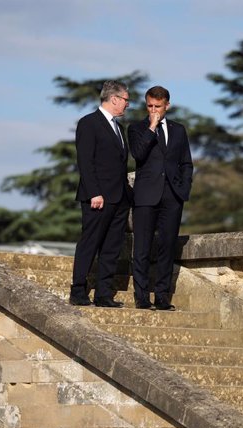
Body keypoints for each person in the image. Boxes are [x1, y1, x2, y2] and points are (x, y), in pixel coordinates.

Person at [127, 86, 193, 310]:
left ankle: (163, 296)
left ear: (167, 106)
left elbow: (186, 162)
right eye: (149, 106)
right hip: (146, 195)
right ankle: (142, 297)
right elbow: (138, 154)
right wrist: (152, 127)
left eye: (158, 106)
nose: (153, 109)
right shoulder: (136, 128)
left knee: (167, 246)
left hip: (172, 197)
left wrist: (184, 189)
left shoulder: (179, 130)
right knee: (142, 248)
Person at [69, 80, 132, 308]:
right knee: (90, 243)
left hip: (119, 198)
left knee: (111, 247)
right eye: (126, 100)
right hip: (97, 198)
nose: (127, 105)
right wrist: (95, 192)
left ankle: (104, 294)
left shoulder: (120, 128)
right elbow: (85, 161)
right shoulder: (89, 123)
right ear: (114, 99)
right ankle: (78, 290)